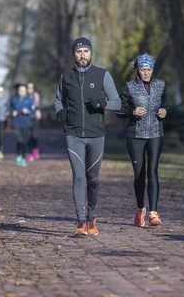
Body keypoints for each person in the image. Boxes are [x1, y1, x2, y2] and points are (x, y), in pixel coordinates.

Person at [54, 37, 121, 236]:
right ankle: (80, 221)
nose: (82, 55)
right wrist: (60, 113)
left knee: (93, 179)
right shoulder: (66, 77)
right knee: (78, 177)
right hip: (73, 134)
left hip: (96, 135)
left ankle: (91, 217)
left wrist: (104, 104)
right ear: (74, 54)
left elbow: (117, 102)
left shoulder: (102, 75)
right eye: (78, 51)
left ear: (91, 53)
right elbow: (58, 100)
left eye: (86, 51)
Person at [116, 53, 168, 227]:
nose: (146, 73)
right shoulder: (129, 87)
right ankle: (140, 209)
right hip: (135, 135)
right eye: (143, 70)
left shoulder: (160, 85)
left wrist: (163, 110)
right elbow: (119, 109)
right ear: (137, 70)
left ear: (153, 69)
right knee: (140, 174)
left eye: (149, 70)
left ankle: (153, 213)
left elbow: (164, 102)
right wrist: (132, 111)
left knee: (153, 171)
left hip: (155, 134)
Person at [11, 84, 34, 166]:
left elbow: (33, 111)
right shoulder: (14, 99)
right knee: (19, 140)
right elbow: (11, 108)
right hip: (17, 123)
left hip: (26, 123)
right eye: (20, 90)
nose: (22, 92)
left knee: (25, 141)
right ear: (18, 91)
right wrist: (12, 112)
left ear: (26, 91)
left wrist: (28, 111)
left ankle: (23, 157)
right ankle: (19, 154)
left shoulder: (29, 100)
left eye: (23, 90)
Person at [26, 81, 42, 162]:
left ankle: (35, 149)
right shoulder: (24, 97)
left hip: (35, 118)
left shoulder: (36, 96)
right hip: (27, 118)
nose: (30, 89)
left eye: (31, 87)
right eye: (28, 87)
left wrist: (36, 107)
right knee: (28, 136)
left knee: (35, 136)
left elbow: (40, 105)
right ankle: (29, 153)